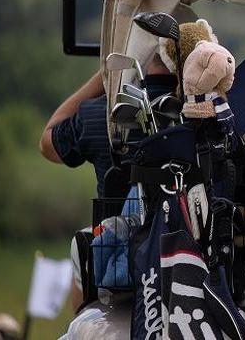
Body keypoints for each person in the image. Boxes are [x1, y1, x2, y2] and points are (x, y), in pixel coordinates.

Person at [39, 54, 176, 310]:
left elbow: (47, 143)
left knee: (82, 244)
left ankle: (86, 312)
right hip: (186, 254)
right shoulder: (209, 113)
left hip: (119, 263)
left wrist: (104, 78)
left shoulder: (97, 113)